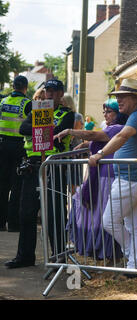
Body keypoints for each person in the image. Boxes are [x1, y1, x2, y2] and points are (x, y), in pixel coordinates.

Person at [88, 79, 137, 273]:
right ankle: (134, 265)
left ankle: (130, 255)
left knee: (109, 221)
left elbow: (121, 136)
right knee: (133, 225)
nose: (118, 100)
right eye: (117, 97)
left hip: (129, 179)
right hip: (136, 178)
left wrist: (100, 154)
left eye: (122, 96)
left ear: (135, 99)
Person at [4, 79, 75, 268]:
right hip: (33, 166)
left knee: (54, 215)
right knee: (26, 213)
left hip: (54, 167)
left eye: (54, 91)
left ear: (61, 94)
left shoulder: (67, 114)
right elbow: (22, 128)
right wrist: (45, 129)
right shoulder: (36, 111)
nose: (50, 94)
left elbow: (59, 133)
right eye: (47, 91)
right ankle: (25, 257)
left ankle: (59, 258)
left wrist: (43, 130)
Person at [55, 98, 127, 261]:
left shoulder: (118, 128)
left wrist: (69, 131)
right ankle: (100, 252)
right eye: (104, 111)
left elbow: (94, 134)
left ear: (118, 114)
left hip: (107, 178)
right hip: (100, 177)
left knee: (103, 219)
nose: (105, 115)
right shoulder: (111, 128)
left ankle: (111, 254)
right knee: (95, 216)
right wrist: (85, 145)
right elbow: (97, 139)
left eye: (109, 111)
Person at [0, 75, 32, 232]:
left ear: (13, 86)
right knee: (16, 185)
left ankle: (0, 223)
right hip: (19, 147)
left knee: (2, 184)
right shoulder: (27, 104)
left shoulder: (3, 102)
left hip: (2, 145)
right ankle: (13, 224)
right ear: (25, 88)